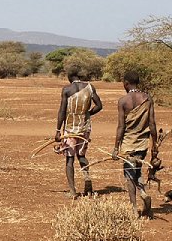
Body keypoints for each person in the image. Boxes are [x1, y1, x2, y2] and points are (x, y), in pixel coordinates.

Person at [112, 71, 159, 218]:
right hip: (142, 143)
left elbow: (121, 127)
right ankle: (143, 193)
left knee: (129, 176)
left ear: (126, 83)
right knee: (137, 171)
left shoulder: (123, 101)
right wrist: (155, 144)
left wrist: (115, 148)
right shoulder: (147, 99)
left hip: (128, 144)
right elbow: (152, 124)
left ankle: (133, 208)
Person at [54, 67, 103, 198]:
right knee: (81, 155)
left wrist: (58, 131)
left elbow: (62, 112)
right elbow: (99, 106)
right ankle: (86, 177)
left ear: (70, 78)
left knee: (69, 159)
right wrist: (88, 114)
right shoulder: (90, 87)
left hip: (70, 129)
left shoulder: (67, 89)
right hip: (85, 127)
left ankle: (72, 191)